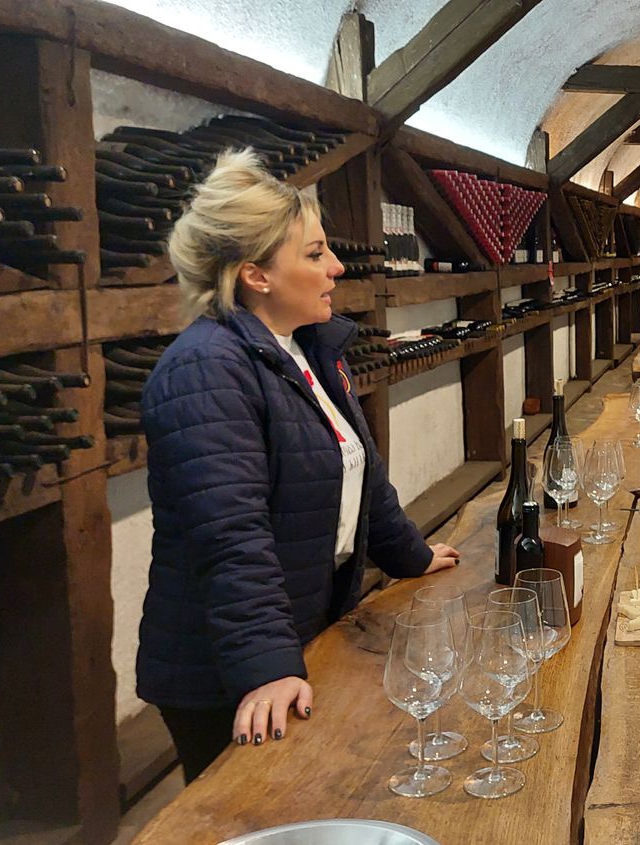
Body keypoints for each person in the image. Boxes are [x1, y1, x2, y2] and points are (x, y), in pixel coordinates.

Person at [138, 150, 460, 783]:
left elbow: (361, 474)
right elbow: (231, 536)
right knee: (249, 815)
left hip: (299, 629)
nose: (336, 266)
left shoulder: (305, 348)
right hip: (224, 666)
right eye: (315, 254)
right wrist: (266, 666)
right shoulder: (206, 369)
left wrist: (411, 556)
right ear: (255, 274)